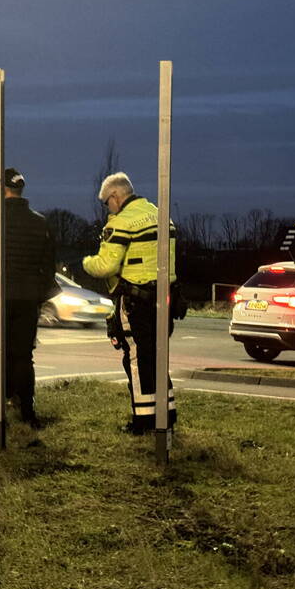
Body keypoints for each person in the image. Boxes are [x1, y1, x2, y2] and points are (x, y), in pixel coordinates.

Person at [82, 171, 178, 435]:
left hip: (136, 300)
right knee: (158, 357)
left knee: (136, 359)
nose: (108, 209)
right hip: (165, 298)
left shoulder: (122, 223)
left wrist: (85, 262)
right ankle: (167, 415)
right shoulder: (161, 215)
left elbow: (106, 265)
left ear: (115, 196)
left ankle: (143, 421)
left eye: (106, 203)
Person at [0, 167, 57, 429]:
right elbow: (48, 267)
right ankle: (27, 408)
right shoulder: (40, 223)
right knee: (23, 355)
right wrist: (37, 295)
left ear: (1, 190)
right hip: (27, 299)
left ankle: (0, 407)